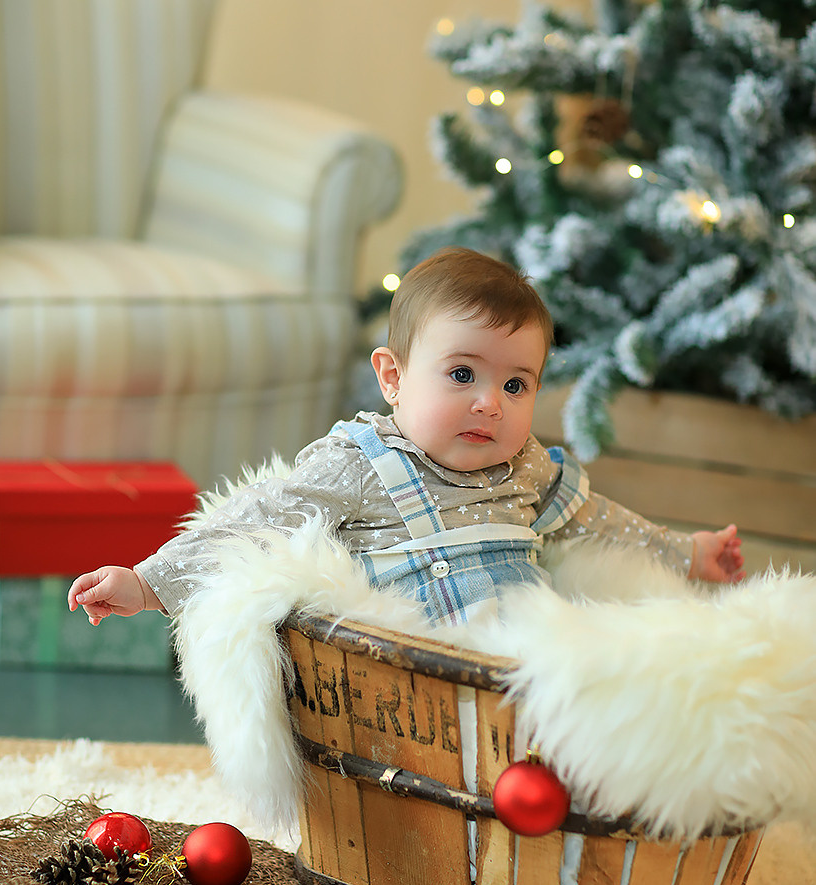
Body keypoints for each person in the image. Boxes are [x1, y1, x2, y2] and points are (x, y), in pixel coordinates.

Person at [68, 248, 744, 630]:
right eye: (460, 374)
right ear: (391, 378)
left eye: (516, 386)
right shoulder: (360, 463)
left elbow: (600, 524)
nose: (490, 403)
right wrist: (148, 580)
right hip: (421, 680)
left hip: (533, 660)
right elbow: (253, 520)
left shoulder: (527, 467)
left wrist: (686, 553)